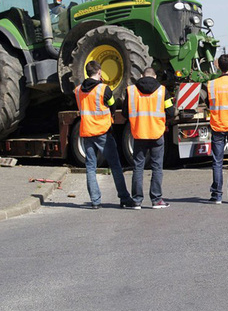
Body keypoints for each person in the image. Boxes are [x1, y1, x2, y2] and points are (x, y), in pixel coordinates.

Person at [74, 61, 135, 210]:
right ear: (99, 72)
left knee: (90, 167)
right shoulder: (104, 89)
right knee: (115, 165)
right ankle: (124, 198)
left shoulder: (77, 90)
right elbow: (113, 105)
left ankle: (95, 201)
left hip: (86, 132)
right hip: (103, 133)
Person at [122, 67, 175, 209]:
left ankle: (137, 200)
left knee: (138, 166)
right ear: (155, 76)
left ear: (141, 76)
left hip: (139, 133)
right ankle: (156, 200)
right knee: (157, 166)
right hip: (157, 133)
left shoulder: (131, 91)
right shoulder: (162, 91)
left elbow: (125, 113)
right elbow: (171, 112)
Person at [204, 54, 228, 204]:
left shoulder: (212, 84)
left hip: (218, 125)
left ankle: (217, 196)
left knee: (217, 162)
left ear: (218, 67)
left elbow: (209, 104)